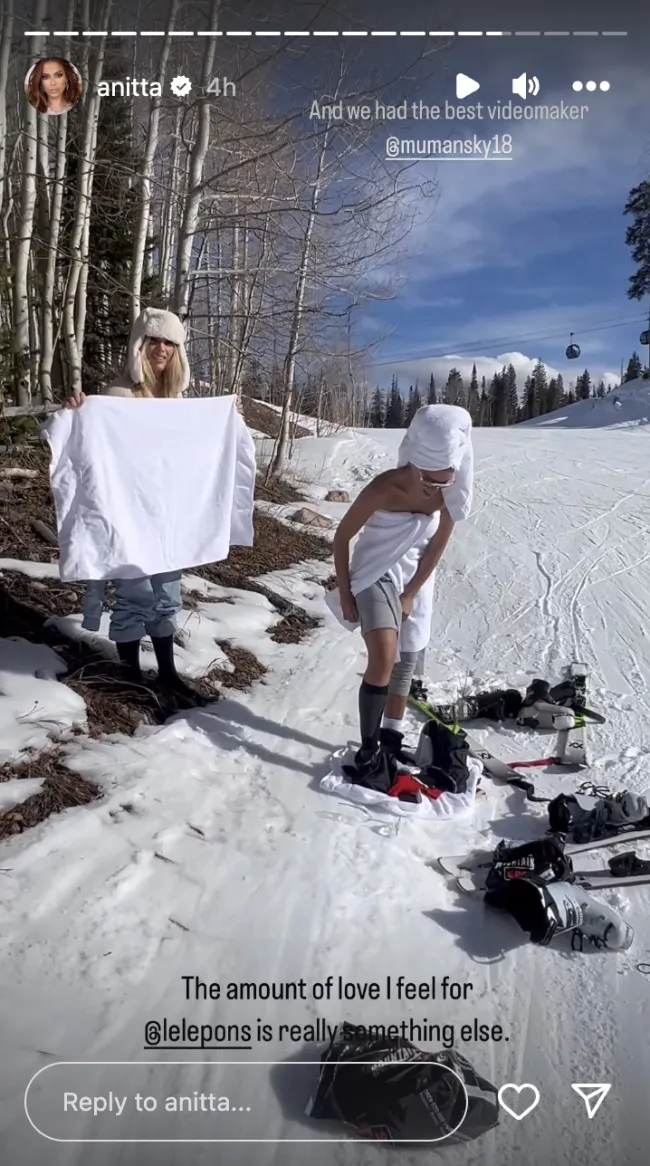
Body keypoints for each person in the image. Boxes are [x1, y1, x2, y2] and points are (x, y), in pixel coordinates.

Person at [64, 306, 241, 708]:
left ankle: (167, 675)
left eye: (170, 343)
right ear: (139, 345)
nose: (161, 349)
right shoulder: (117, 396)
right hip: (128, 517)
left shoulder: (179, 402)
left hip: (168, 519)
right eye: (153, 341)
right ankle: (130, 676)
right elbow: (94, 449)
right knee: (133, 596)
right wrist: (77, 415)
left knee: (167, 597)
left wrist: (225, 423)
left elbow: (193, 455)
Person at [331, 404, 474, 783]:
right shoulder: (385, 486)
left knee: (407, 660)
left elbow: (436, 549)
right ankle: (368, 751)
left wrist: (411, 593)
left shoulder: (450, 493)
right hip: (374, 572)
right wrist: (346, 592)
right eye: (428, 477)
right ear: (415, 461)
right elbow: (343, 536)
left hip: (415, 577)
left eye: (443, 481)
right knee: (385, 656)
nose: (434, 487)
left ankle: (391, 738)